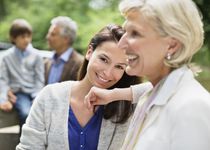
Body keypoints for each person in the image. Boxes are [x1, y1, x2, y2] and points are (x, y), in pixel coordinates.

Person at [84, 0, 210, 149]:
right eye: (126, 32)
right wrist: (114, 94)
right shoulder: (148, 98)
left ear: (172, 45)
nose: (121, 44)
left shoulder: (192, 107)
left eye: (135, 33)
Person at [16, 24, 141, 150]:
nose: (108, 73)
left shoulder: (127, 107)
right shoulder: (50, 96)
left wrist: (116, 95)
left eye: (119, 67)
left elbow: (159, 87)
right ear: (89, 52)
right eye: (104, 59)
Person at [0, 19, 45, 130]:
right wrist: (3, 99)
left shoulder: (37, 55)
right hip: (19, 94)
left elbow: (39, 79)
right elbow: (3, 79)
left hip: (35, 92)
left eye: (28, 36)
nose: (26, 40)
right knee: (26, 113)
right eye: (22, 37)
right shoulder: (6, 57)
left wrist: (37, 96)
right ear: (13, 38)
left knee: (40, 114)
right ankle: (25, 144)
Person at [45, 16, 83, 84]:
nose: (48, 37)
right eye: (49, 33)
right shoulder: (46, 62)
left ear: (66, 39)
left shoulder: (80, 64)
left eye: (53, 34)